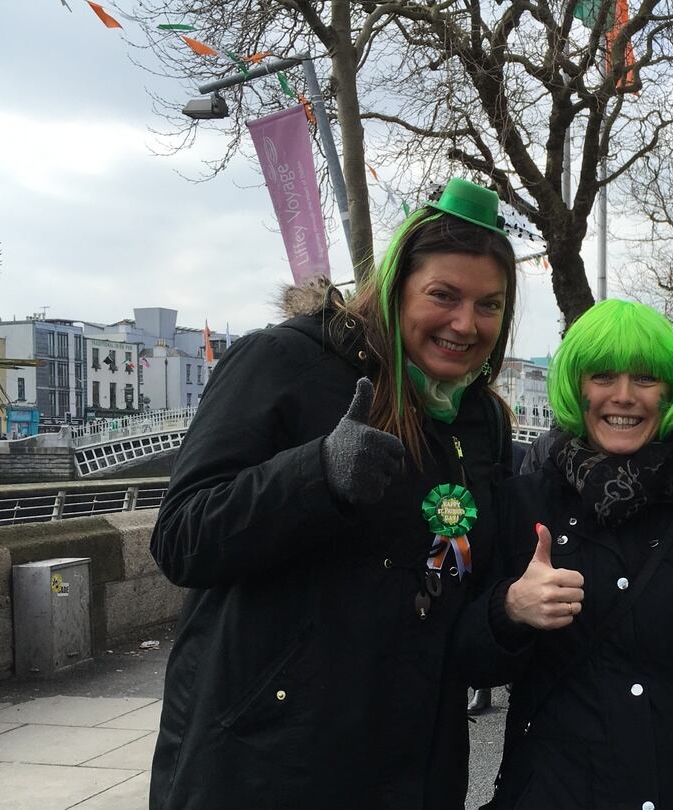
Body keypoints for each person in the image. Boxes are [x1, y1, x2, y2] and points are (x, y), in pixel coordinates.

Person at [148, 179, 519, 810]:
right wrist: (317, 474)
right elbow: (183, 536)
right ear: (397, 287)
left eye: (489, 305)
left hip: (409, 766)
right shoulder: (285, 361)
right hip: (270, 764)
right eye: (444, 296)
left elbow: (461, 591)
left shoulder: (481, 421)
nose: (466, 324)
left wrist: (510, 612)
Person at [460, 299, 673, 810]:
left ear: (669, 392)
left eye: (645, 378)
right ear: (578, 387)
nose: (623, 397)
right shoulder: (522, 503)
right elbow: (466, 663)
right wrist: (509, 610)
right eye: (602, 377)